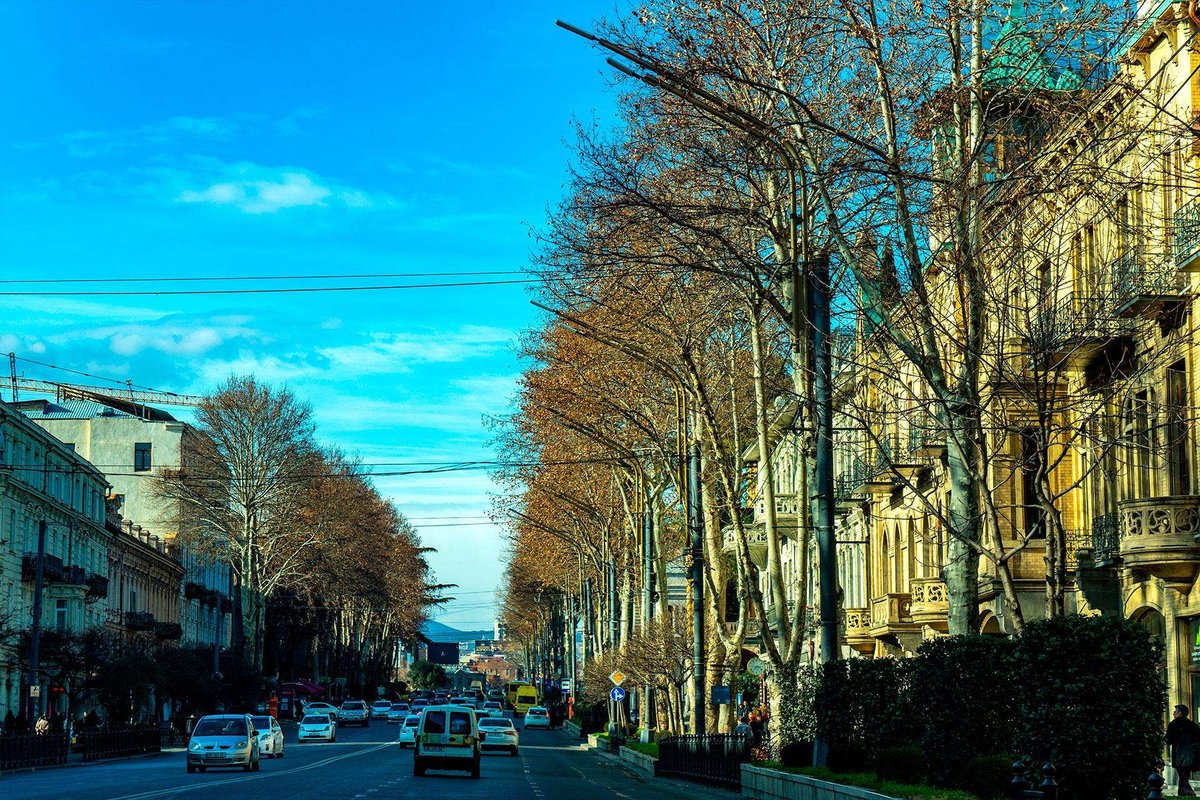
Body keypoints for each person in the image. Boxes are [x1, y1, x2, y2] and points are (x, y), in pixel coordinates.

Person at [1169, 704, 1200, 796]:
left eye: (1176, 711)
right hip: (1190, 755)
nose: (1174, 713)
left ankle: (1189, 793)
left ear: (1181, 714)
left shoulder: (1173, 724)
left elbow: (1168, 740)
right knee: (1184, 777)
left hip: (1179, 755)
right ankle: (1183, 794)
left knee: (1183, 777)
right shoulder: (1192, 724)